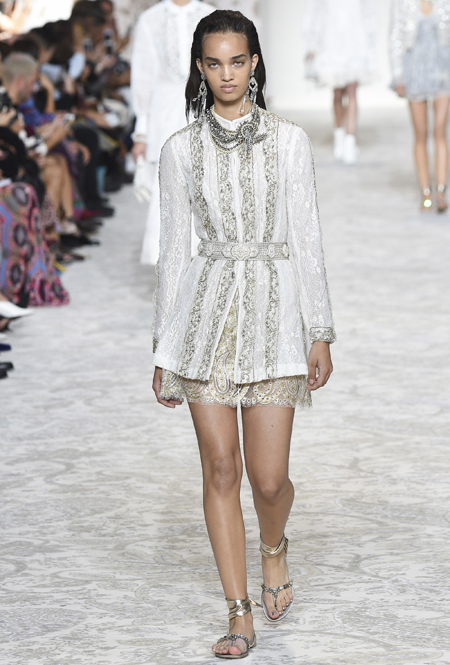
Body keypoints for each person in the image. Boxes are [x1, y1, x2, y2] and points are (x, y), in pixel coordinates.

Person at [152, 10, 335, 659]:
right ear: (200, 68)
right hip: (203, 319)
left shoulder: (290, 141)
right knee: (221, 467)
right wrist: (162, 347)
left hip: (275, 316)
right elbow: (173, 254)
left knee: (269, 479)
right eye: (214, 62)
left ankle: (274, 546)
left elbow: (306, 237)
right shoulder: (179, 150)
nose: (226, 74)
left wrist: (319, 329)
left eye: (237, 61)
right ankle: (238, 611)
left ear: (254, 63)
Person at [131, 0, 214, 266]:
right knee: (167, 187)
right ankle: (172, 265)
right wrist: (141, 133)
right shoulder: (151, 19)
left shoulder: (209, 15)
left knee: (207, 182)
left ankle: (206, 263)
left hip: (204, 106)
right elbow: (143, 76)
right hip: (163, 112)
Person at [391, 0, 450, 212]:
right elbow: (395, 36)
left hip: (443, 69)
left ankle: (441, 192)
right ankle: (425, 193)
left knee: (440, 130)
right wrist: (398, 75)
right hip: (414, 70)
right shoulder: (402, 3)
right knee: (421, 133)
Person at [303, 0, 377, 164]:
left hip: (355, 41)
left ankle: (349, 141)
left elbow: (369, 12)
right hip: (332, 42)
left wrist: (370, 42)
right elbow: (315, 13)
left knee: (351, 91)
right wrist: (312, 44)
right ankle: (339, 136)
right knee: (337, 93)